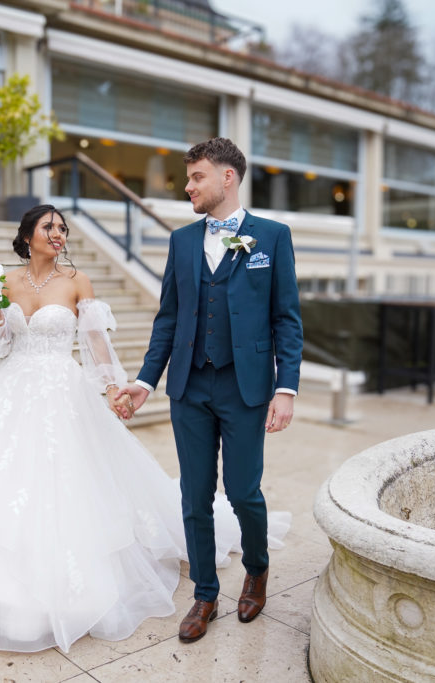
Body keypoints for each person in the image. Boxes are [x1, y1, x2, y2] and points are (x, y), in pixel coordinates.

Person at [0, 204, 290, 653]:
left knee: (70, 485)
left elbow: (97, 343)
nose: (58, 234)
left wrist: (117, 389)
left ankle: (234, 571)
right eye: (49, 227)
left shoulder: (76, 281)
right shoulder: (2, 283)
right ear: (27, 236)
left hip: (64, 389)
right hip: (14, 390)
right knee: (2, 482)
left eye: (62, 227)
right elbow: (3, 346)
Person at [117, 138, 303, 643]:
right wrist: (143, 381)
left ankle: (258, 570)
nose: (188, 186)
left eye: (197, 176)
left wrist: (285, 388)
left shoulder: (272, 237)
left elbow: (286, 318)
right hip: (189, 386)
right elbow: (169, 318)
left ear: (228, 177)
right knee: (194, 496)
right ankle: (204, 594)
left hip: (246, 388)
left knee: (244, 493)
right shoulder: (180, 242)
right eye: (188, 177)